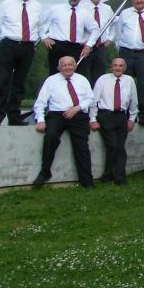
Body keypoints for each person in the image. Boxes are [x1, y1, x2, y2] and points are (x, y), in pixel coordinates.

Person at [32, 55, 95, 188]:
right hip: (57, 114)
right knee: (50, 138)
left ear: (75, 66)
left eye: (70, 64)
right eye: (64, 65)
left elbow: (90, 99)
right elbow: (41, 102)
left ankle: (87, 180)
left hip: (78, 113)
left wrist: (77, 108)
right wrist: (40, 119)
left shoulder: (82, 79)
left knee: (81, 146)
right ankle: (45, 172)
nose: (67, 67)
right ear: (59, 67)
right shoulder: (51, 80)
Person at [0, 0, 45, 126]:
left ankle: (14, 116)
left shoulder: (38, 7)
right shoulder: (6, 4)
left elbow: (40, 26)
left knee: (19, 82)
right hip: (9, 44)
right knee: (2, 80)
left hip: (27, 46)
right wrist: (8, 37)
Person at [89, 57, 137, 186]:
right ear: (111, 67)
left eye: (121, 66)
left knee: (120, 147)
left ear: (124, 68)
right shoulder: (102, 80)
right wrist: (92, 119)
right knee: (112, 146)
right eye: (115, 65)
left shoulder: (129, 80)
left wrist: (132, 119)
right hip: (106, 116)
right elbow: (94, 101)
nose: (118, 68)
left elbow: (133, 101)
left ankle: (119, 177)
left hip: (121, 117)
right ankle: (108, 174)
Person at [114, 0, 144, 127]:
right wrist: (121, 49)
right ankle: (125, 113)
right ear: (133, 0)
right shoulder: (125, 14)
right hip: (126, 53)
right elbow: (118, 33)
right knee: (125, 83)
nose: (139, 0)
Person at [41, 0, 91, 76]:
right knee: (55, 75)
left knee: (79, 75)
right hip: (57, 46)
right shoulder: (56, 9)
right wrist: (44, 37)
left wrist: (88, 45)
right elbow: (40, 23)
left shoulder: (85, 13)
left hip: (76, 47)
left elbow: (95, 30)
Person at [82, 0, 116, 87]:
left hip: (100, 48)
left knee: (99, 77)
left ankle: (96, 101)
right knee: (83, 75)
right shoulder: (82, 8)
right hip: (84, 47)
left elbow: (114, 24)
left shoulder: (107, 8)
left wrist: (110, 39)